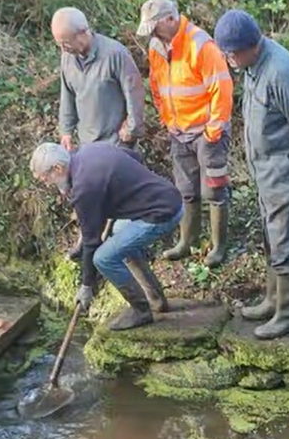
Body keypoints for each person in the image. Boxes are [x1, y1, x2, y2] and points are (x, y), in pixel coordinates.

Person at [214, 9, 289, 340]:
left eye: (233, 53)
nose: (229, 59)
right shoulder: (251, 65)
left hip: (286, 169)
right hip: (265, 170)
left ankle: (287, 314)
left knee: (286, 238)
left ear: (252, 45)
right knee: (271, 234)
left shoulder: (280, 72)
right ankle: (271, 299)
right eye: (226, 52)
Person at [29, 141, 182, 330]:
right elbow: (136, 157)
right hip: (169, 197)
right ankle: (156, 300)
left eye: (46, 179)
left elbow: (91, 242)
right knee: (119, 232)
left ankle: (141, 312)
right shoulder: (91, 149)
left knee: (104, 258)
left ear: (58, 168)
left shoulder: (84, 187)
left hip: (161, 214)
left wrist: (87, 286)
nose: (48, 184)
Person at [138, 0, 234, 267]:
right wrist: (166, 117)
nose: (153, 33)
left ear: (170, 19)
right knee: (185, 190)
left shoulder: (200, 44)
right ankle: (187, 240)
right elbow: (156, 85)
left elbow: (222, 88)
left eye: (155, 26)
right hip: (178, 131)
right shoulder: (156, 47)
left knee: (213, 190)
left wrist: (213, 131)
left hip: (206, 131)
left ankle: (218, 246)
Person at [51, 6, 146, 262]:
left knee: (117, 196)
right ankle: (87, 237)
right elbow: (67, 97)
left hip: (116, 142)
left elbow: (134, 93)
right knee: (86, 194)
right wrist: (66, 130)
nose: (63, 49)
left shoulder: (115, 54)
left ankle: (120, 246)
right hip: (87, 144)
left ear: (83, 33)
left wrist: (132, 130)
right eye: (59, 44)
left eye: (66, 43)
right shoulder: (67, 59)